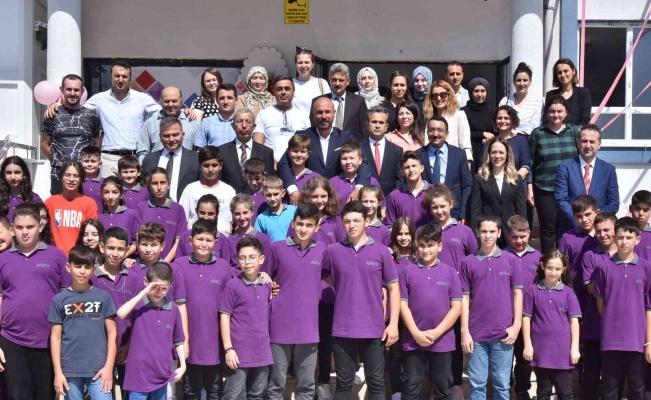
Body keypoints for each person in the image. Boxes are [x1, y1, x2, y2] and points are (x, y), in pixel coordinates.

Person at [323, 201, 400, 400]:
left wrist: (393, 324)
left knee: (376, 383)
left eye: (356, 220)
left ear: (366, 221)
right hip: (343, 327)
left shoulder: (382, 252)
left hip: (374, 328)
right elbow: (327, 276)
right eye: (347, 221)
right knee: (343, 383)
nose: (352, 225)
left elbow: (394, 288)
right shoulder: (332, 251)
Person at [0, 203, 69, 400]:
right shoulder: (3, 259)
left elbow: (68, 297)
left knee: (45, 395)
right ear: (12, 229)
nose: (24, 232)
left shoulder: (57, 256)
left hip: (48, 340)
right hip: (11, 340)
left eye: (30, 227)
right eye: (19, 227)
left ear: (40, 226)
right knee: (17, 395)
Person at [45, 61, 162, 177]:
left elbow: (162, 113)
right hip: (107, 160)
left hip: (133, 158)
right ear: (111, 76)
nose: (120, 79)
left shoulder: (142, 99)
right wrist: (57, 105)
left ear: (130, 78)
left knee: (134, 190)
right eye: (117, 76)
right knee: (107, 190)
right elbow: (77, 109)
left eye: (124, 76)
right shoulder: (99, 99)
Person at [264, 203, 326, 400]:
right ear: (293, 223)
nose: (303, 229)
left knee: (307, 386)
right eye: (300, 224)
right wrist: (269, 287)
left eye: (309, 225)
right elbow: (264, 278)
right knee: (276, 384)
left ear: (317, 227)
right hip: (279, 325)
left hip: (308, 328)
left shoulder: (322, 251)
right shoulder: (276, 248)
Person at [460, 214, 523, 400]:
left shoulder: (511, 260)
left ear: (499, 233)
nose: (488, 235)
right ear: (477, 233)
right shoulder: (467, 262)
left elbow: (518, 294)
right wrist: (465, 331)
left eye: (492, 231)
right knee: (477, 384)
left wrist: (516, 325)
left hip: (503, 332)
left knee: (502, 384)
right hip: (476, 333)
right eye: (484, 231)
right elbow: (464, 298)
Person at [424, 183, 477, 396]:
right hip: (431, 296)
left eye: (442, 206)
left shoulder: (464, 231)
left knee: (454, 342)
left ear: (451, 204)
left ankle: (455, 386)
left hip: (457, 297)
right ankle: (433, 386)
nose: (439, 210)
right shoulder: (425, 231)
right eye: (435, 207)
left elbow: (474, 260)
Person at [400, 223, 462, 400]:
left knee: (443, 388)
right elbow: (402, 305)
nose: (426, 250)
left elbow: (457, 307)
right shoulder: (407, 272)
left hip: (442, 341)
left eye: (430, 245)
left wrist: (437, 332)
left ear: (439, 246)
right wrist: (416, 333)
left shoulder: (450, 273)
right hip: (413, 341)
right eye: (422, 245)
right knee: (411, 388)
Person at [174, 219, 233, 400]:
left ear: (216, 242)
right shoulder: (179, 265)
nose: (204, 244)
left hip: (214, 341)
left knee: (214, 390)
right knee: (191, 389)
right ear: (190, 240)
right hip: (189, 340)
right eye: (200, 239)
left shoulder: (223, 267)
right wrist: (182, 340)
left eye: (209, 240)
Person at [49, 245, 117, 400]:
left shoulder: (103, 297)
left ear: (94, 270)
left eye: (87, 267)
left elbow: (112, 333)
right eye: (78, 266)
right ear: (68, 267)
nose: (82, 271)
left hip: (99, 369)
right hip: (70, 370)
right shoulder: (59, 299)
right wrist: (58, 372)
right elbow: (55, 337)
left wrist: (109, 367)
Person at [594, 217, 651, 400]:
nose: (624, 241)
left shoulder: (646, 268)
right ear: (614, 238)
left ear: (637, 239)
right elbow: (601, 303)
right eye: (620, 237)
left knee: (637, 387)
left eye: (628, 237)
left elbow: (648, 307)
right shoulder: (604, 268)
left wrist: (649, 341)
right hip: (611, 340)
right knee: (610, 387)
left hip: (636, 340)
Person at [276, 97, 372, 203]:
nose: (324, 116)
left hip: (338, 195)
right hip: (310, 196)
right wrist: (292, 190)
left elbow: (364, 162)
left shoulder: (345, 137)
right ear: (313, 114)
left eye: (327, 112)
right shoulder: (303, 136)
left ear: (334, 113)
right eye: (319, 112)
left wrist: (358, 188)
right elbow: (283, 163)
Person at [117, 262, 187, 400]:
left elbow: (179, 340)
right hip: (138, 374)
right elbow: (121, 313)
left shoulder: (173, 309)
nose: (158, 292)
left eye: (164, 288)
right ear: (146, 282)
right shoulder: (138, 304)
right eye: (155, 287)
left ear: (171, 286)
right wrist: (144, 292)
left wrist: (183, 365)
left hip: (162, 373)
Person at [522, 250, 581, 400]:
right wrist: (528, 345)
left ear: (563, 270)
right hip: (541, 351)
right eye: (549, 267)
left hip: (562, 352)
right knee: (543, 391)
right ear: (542, 266)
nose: (553, 272)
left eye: (557, 269)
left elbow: (574, 321)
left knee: (565, 393)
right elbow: (526, 318)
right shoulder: (532, 291)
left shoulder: (568, 293)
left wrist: (574, 348)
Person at [219, 237, 273, 400]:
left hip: (262, 351)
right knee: (233, 394)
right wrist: (228, 349)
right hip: (239, 352)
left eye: (252, 257)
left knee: (257, 394)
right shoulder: (233, 285)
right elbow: (224, 317)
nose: (247, 262)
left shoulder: (266, 284)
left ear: (261, 259)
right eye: (242, 258)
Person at [90, 227, 139, 396]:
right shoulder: (92, 278)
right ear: (102, 247)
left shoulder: (133, 279)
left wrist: (129, 345)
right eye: (111, 248)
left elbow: (138, 316)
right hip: (99, 351)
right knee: (103, 393)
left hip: (127, 349)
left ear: (127, 250)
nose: (115, 253)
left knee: (129, 395)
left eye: (120, 249)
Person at [528, 95, 580, 252]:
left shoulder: (574, 132)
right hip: (545, 188)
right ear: (546, 113)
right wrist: (530, 188)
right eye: (552, 111)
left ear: (566, 112)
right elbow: (530, 163)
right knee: (548, 229)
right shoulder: (537, 134)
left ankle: (567, 261)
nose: (556, 114)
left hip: (570, 189)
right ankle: (549, 263)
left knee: (570, 226)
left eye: (559, 111)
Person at [41, 74, 103, 194]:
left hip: (85, 175)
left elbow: (97, 143)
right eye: (69, 89)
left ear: (82, 91)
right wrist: (57, 160)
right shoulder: (52, 115)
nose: (72, 93)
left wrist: (88, 163)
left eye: (76, 90)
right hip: (59, 175)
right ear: (62, 90)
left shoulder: (92, 116)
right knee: (59, 205)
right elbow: (44, 144)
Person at [580, 212, 618, 400]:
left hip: (620, 327)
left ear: (616, 229)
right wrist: (619, 287)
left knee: (615, 377)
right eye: (598, 231)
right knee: (591, 375)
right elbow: (590, 287)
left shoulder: (626, 255)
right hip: (594, 324)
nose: (602, 234)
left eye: (606, 230)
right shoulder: (590, 256)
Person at [555, 123, 619, 233]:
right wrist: (579, 221)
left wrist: (596, 221)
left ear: (599, 144)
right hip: (571, 229)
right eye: (584, 141)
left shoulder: (608, 170)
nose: (588, 145)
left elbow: (613, 203)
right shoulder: (565, 168)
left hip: (599, 232)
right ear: (578, 143)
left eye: (592, 142)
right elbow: (561, 200)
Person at [504, 215, 541, 400]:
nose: (518, 241)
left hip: (528, 316)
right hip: (506, 315)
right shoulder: (501, 255)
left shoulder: (537, 257)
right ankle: (504, 387)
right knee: (504, 357)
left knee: (524, 356)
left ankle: (522, 389)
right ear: (507, 235)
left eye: (522, 236)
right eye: (514, 237)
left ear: (529, 233)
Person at [470, 138, 526, 247]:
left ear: (507, 155)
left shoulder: (517, 179)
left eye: (501, 152)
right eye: (494, 152)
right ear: (489, 155)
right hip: (489, 234)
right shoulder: (479, 179)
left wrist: (521, 233)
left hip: (511, 235)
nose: (497, 156)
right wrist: (476, 239)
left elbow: (521, 211)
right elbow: (475, 211)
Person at [418, 116, 473, 222]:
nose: (435, 134)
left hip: (453, 213)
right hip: (425, 213)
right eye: (431, 130)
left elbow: (467, 185)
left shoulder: (459, 154)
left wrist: (463, 214)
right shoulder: (419, 154)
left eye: (440, 130)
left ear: (447, 134)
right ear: (427, 132)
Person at [178, 146, 235, 236]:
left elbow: (232, 221)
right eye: (206, 165)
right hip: (196, 238)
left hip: (221, 238)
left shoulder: (229, 191)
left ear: (221, 166)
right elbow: (183, 219)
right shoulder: (190, 189)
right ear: (200, 166)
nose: (210, 170)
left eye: (214, 165)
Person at [45, 161, 99, 255]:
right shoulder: (50, 202)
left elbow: (91, 233)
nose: (71, 179)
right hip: (55, 256)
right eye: (67, 175)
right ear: (61, 177)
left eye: (76, 176)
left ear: (81, 179)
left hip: (80, 257)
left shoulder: (89, 203)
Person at [141, 117, 201, 202]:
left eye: (175, 135)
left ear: (183, 135)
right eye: (166, 136)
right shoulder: (149, 159)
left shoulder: (195, 158)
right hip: (155, 208)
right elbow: (143, 188)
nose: (171, 139)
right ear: (160, 137)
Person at [253, 75, 311, 162]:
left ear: (293, 91)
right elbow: (258, 146)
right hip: (270, 166)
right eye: (279, 89)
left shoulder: (303, 115)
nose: (283, 92)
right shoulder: (263, 114)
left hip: (297, 166)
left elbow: (308, 144)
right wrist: (271, 163)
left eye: (287, 89)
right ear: (274, 92)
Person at [218, 107, 275, 193]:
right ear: (232, 126)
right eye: (239, 121)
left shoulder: (266, 152)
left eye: (248, 122)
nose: (244, 126)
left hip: (258, 199)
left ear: (254, 127)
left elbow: (269, 182)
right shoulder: (222, 151)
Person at [135, 169, 187, 261]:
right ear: (149, 186)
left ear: (168, 185)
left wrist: (164, 263)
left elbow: (178, 241)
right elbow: (138, 237)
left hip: (168, 263)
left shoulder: (178, 209)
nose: (159, 187)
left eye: (162, 183)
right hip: (145, 262)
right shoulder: (141, 208)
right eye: (154, 183)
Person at [309, 63, 368, 141]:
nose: (337, 83)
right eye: (334, 80)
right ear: (329, 80)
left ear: (348, 81)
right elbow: (314, 127)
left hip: (351, 146)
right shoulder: (318, 101)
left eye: (341, 80)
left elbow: (364, 130)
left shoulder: (358, 101)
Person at [138, 86, 199, 160]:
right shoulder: (150, 124)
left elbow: (199, 151)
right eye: (167, 101)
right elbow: (142, 152)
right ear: (161, 102)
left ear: (181, 102)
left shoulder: (192, 122)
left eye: (174, 101)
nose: (170, 105)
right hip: (157, 166)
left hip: (186, 166)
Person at [558, 195, 600, 295]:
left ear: (597, 213)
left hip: (600, 292)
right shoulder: (567, 238)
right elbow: (561, 266)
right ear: (574, 216)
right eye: (579, 216)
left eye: (588, 214)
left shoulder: (604, 236)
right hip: (575, 293)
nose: (584, 219)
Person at [422, 80, 473, 162]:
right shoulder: (428, 118)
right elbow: (426, 142)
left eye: (443, 95)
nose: (439, 98)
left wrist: (468, 161)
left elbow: (465, 143)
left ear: (449, 95)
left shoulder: (459, 115)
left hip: (454, 161)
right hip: (432, 160)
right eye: (434, 96)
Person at [361, 106, 404, 197]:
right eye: (374, 122)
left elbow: (400, 179)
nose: (377, 126)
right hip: (366, 199)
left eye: (381, 122)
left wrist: (390, 198)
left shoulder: (397, 150)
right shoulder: (359, 148)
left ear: (386, 126)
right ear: (367, 124)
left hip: (390, 199)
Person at [222, 194, 272, 268]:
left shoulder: (264, 239)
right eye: (237, 214)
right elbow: (225, 267)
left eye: (245, 212)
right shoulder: (228, 241)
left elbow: (267, 267)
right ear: (232, 214)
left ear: (252, 212)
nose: (242, 217)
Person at [329, 142, 380, 209]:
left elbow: (381, 207)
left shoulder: (372, 181)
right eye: (344, 158)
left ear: (360, 160)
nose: (348, 162)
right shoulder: (333, 182)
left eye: (352, 158)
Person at [386, 151, 431, 228]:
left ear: (422, 168)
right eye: (407, 167)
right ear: (402, 172)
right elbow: (391, 226)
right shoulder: (394, 196)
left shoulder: (433, 191)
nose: (411, 170)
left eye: (414, 166)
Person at [498, 62, 544, 135]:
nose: (522, 84)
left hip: (531, 140)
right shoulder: (505, 101)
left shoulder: (539, 102)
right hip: (510, 139)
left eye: (525, 80)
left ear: (530, 82)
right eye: (518, 80)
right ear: (514, 82)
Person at [176, 194, 225, 260]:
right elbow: (178, 263)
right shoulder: (185, 236)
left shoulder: (222, 240)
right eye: (202, 213)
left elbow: (225, 264)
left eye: (210, 214)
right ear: (196, 211)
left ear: (217, 214)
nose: (206, 217)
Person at [545, 58, 592, 126]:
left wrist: (574, 130)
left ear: (573, 71)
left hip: (577, 131)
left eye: (565, 71)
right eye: (559, 72)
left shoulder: (583, 93)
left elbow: (585, 119)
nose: (563, 75)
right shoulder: (551, 95)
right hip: (555, 131)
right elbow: (547, 118)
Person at [462, 77, 495, 171]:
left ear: (487, 92)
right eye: (476, 91)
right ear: (470, 92)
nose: (479, 94)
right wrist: (482, 134)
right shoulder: (463, 112)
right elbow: (462, 134)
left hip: (486, 150)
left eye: (483, 91)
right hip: (469, 151)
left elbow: (495, 132)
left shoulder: (491, 112)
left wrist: (490, 138)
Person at [98, 176, 138, 254]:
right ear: (102, 194)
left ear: (121, 194)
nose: (110, 197)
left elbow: (136, 242)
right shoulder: (99, 216)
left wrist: (122, 256)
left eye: (115, 192)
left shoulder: (131, 214)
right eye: (106, 192)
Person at [254, 176, 298, 242]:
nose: (272, 198)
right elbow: (258, 241)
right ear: (263, 195)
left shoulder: (294, 211)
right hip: (272, 248)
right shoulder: (261, 218)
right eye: (269, 195)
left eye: (275, 194)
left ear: (283, 193)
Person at [194, 84, 239, 148]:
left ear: (236, 100)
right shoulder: (206, 122)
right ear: (217, 101)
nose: (225, 102)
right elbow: (199, 149)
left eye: (229, 98)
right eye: (222, 98)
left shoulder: (244, 123)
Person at [292, 47, 331, 118]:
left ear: (313, 64)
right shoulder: (290, 84)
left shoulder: (322, 83)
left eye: (307, 62)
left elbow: (329, 107)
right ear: (295, 65)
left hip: (316, 124)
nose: (303, 66)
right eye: (300, 62)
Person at [0, 156, 42, 220]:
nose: (13, 177)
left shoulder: (34, 198)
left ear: (24, 175)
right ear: (4, 175)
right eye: (9, 173)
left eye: (17, 172)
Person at [80, 145, 104, 211]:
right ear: (81, 163)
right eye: (86, 161)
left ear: (100, 164)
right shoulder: (78, 182)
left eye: (93, 161)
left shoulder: (105, 183)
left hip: (99, 216)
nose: (90, 165)